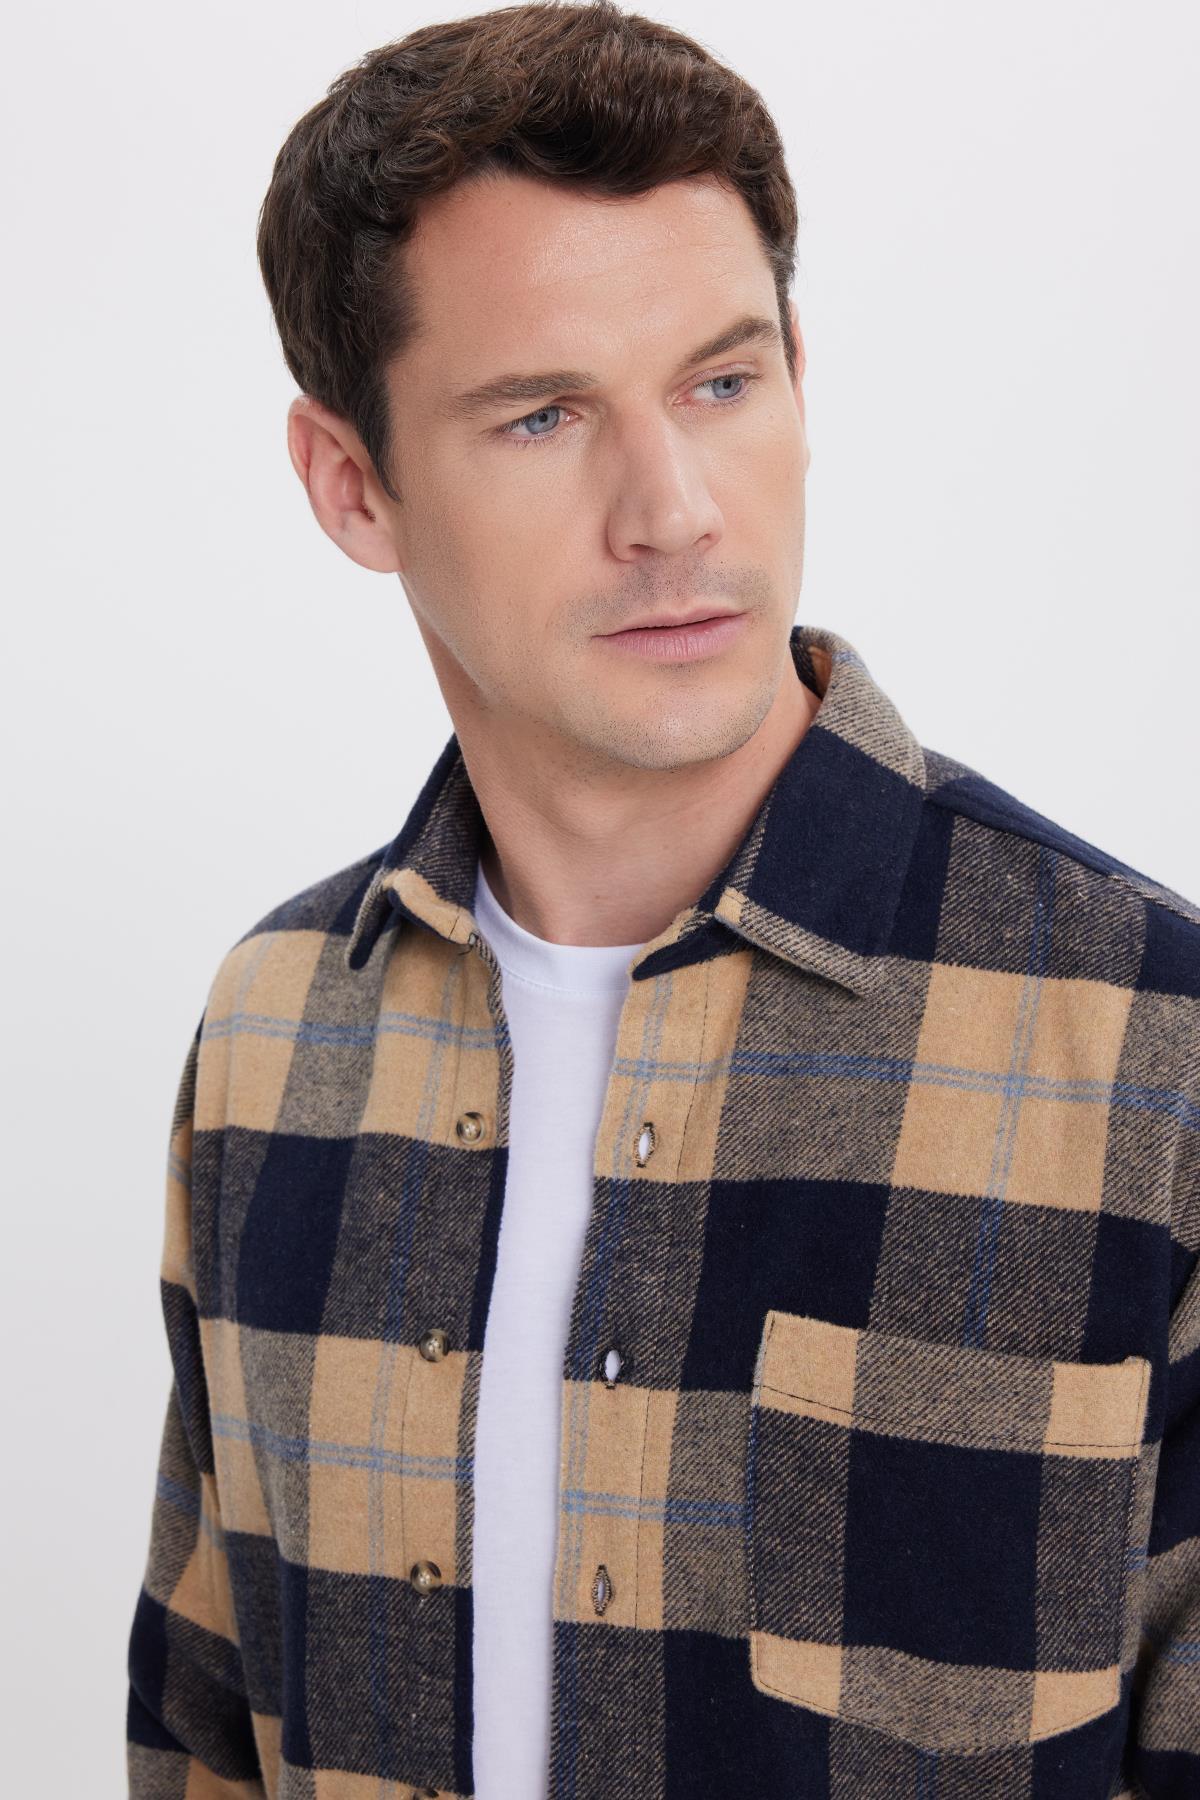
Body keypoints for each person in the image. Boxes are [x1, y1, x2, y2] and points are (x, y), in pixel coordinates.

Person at [124, 4, 1199, 1796]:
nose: (675, 510)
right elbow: (201, 1735)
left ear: (799, 374)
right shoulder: (274, 1035)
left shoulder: (1153, 1048)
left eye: (720, 382)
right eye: (544, 415)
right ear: (352, 484)